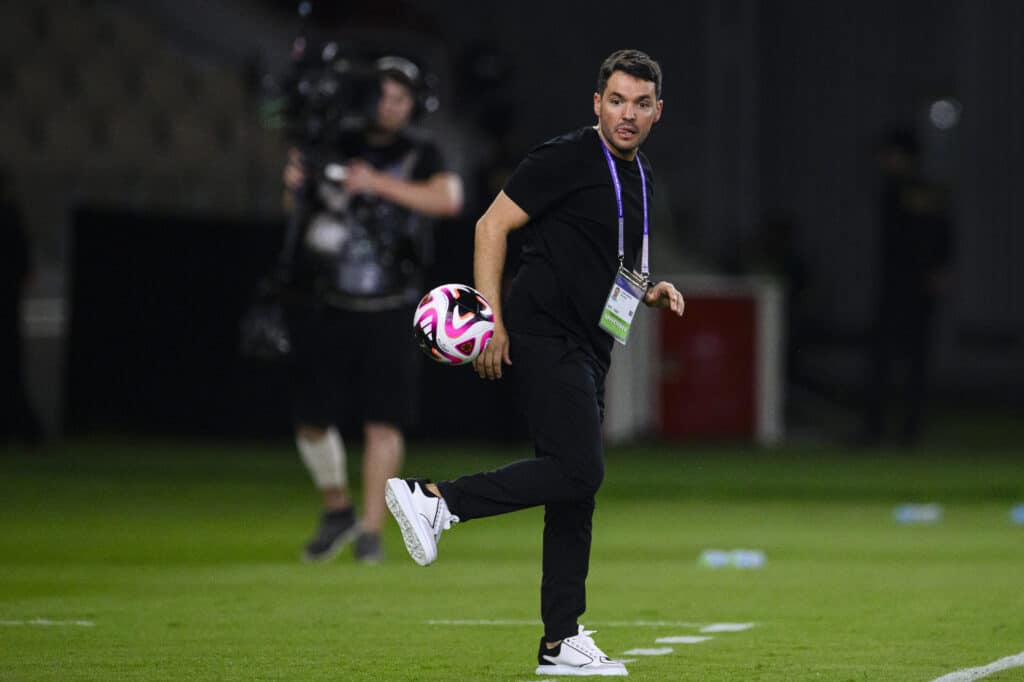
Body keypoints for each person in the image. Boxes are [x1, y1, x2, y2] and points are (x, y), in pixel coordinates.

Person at [385, 49, 684, 676]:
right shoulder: (567, 156)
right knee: (580, 469)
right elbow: (491, 227)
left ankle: (560, 642)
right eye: (617, 100)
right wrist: (490, 318)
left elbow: (613, 261)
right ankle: (438, 500)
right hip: (543, 332)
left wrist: (648, 290)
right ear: (596, 103)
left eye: (641, 103)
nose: (627, 114)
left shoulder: (642, 178)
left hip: (592, 344)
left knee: (575, 491)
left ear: (659, 111)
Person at [281, 55, 463, 563]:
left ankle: (369, 530)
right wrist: (295, 186)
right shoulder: (335, 144)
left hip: (392, 302)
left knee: (384, 421)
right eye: (382, 95)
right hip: (332, 299)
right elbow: (297, 215)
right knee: (311, 418)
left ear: (415, 105)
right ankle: (336, 507)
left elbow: (449, 200)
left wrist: (375, 183)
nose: (389, 107)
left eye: (400, 98)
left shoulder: (422, 152)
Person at [860, 129, 952, 447]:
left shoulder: (917, 191)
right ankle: (879, 428)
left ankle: (904, 430)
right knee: (884, 361)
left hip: (912, 287)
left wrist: (937, 268)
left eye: (889, 154)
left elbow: (940, 233)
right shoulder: (893, 189)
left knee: (909, 362)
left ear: (904, 156)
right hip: (895, 284)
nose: (884, 160)